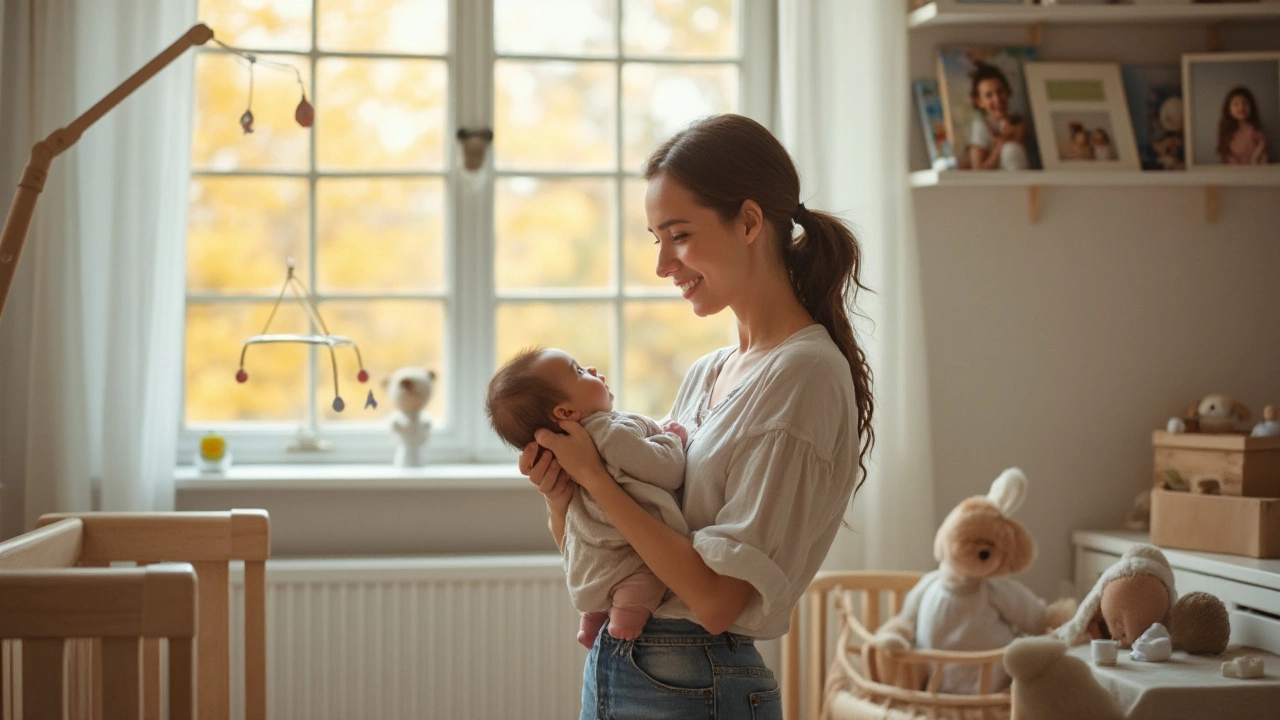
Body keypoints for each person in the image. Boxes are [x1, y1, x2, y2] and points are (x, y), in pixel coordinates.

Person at [520, 114, 874, 719]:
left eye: (678, 235)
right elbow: (625, 550)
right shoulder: (709, 371)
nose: (662, 264)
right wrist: (563, 499)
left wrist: (600, 479)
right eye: (656, 238)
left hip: (695, 680)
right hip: (625, 668)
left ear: (750, 222)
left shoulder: (803, 376)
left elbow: (714, 602)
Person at [486, 347, 688, 649]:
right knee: (648, 576)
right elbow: (666, 469)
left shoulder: (562, 450)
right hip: (625, 552)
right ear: (565, 413)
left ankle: (593, 618)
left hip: (588, 559)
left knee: (600, 582)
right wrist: (672, 438)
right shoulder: (608, 432)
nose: (592, 369)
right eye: (579, 371)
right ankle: (626, 616)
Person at [968, 61, 1029, 171]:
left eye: (1000, 92)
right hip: (998, 184)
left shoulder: (1018, 120)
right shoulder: (981, 126)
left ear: (1008, 93)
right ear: (979, 101)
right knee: (1010, 149)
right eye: (989, 95)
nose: (997, 99)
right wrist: (1000, 144)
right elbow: (978, 170)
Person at [1217, 86, 1269, 165]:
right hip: (1233, 170)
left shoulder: (1254, 128)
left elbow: (1263, 147)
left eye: (1245, 103)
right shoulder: (1226, 130)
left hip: (1255, 167)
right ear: (1228, 108)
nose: (1241, 107)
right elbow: (1224, 154)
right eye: (1236, 104)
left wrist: (1255, 159)